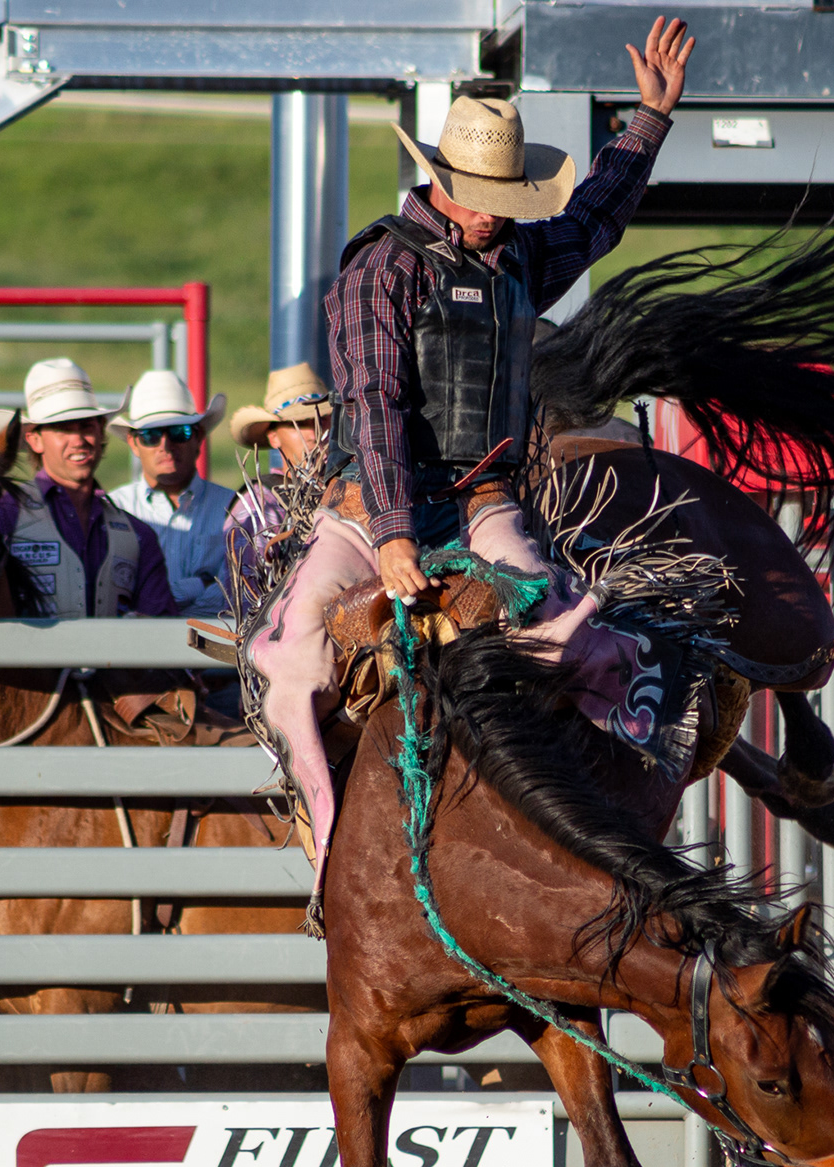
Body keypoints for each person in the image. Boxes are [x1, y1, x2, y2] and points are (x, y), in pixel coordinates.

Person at [243, 16, 695, 928]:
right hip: (365, 505)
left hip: (484, 500)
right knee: (294, 663)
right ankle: (329, 851)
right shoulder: (380, 271)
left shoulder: (517, 251)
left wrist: (648, 120)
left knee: (571, 627)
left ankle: (608, 814)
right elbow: (372, 400)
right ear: (444, 184)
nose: (499, 211)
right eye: (484, 193)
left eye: (507, 194)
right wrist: (396, 534)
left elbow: (594, 222)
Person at [0, 358, 177, 618]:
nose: (78, 440)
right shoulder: (3, 515)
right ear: (35, 440)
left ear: (101, 433)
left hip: (114, 659)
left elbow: (159, 625)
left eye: (86, 426)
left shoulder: (139, 535)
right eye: (63, 429)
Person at [109, 369, 232, 618]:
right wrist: (201, 584)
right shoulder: (111, 507)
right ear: (134, 443)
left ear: (198, 437)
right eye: (151, 436)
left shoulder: (235, 507)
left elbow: (233, 595)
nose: (165, 446)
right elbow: (221, 599)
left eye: (179, 432)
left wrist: (151, 603)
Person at [224, 363, 332, 586]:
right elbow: (249, 590)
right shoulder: (260, 505)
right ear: (274, 437)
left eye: (322, 420)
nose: (315, 434)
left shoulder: (352, 490)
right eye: (300, 424)